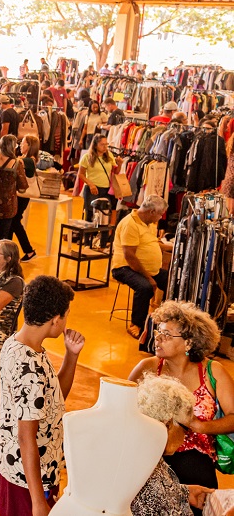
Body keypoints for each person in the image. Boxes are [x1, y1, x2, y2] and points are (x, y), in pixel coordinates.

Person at [0, 276, 83, 516]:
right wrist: (37, 501)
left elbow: (53, 398)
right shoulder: (30, 369)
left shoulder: (17, 344)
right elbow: (26, 438)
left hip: (15, 465)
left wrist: (71, 356)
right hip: (30, 478)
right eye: (66, 316)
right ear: (55, 319)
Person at [129, 301, 233, 502]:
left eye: (166, 335)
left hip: (195, 457)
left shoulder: (213, 371)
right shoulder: (147, 367)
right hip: (148, 454)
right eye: (158, 332)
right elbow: (118, 407)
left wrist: (199, 426)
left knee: (196, 480)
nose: (157, 338)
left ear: (189, 343)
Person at [133, 374, 214, 516]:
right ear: (168, 425)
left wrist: (184, 492)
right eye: (185, 429)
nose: (185, 437)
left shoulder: (145, 456)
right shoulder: (147, 476)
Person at [112, 196, 172, 339]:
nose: (161, 217)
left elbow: (152, 244)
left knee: (173, 280)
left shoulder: (148, 223)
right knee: (144, 287)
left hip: (147, 268)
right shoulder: (130, 224)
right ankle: (136, 324)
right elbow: (130, 256)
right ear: (151, 211)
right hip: (125, 267)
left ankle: (169, 319)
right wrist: (149, 277)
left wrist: (172, 247)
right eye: (160, 213)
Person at [77, 133, 121, 221]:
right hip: (92, 190)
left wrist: (119, 164)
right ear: (95, 145)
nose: (105, 147)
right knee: (90, 215)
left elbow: (115, 172)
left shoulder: (109, 156)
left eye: (106, 144)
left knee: (105, 215)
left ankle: (103, 235)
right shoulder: (87, 157)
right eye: (102, 144)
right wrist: (90, 184)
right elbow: (80, 174)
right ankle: (88, 234)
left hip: (106, 190)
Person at [10, 134, 40, 261]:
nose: (21, 145)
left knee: (14, 221)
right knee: (13, 221)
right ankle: (10, 252)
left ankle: (28, 251)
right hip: (20, 195)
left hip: (22, 195)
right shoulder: (26, 159)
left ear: (29, 146)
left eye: (23, 143)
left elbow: (13, 162)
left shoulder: (28, 160)